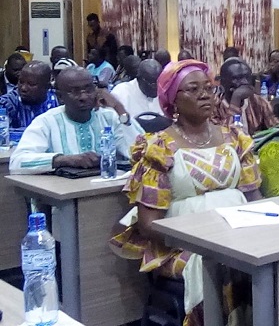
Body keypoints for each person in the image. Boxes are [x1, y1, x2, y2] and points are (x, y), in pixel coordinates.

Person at [109, 59, 262, 326]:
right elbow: (148, 224)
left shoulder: (235, 138)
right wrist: (204, 238)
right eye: (193, 89)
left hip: (238, 236)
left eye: (209, 88)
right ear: (173, 100)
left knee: (269, 261)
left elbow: (254, 199)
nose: (204, 95)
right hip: (183, 246)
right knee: (221, 266)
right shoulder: (159, 147)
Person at [10, 67, 141, 174]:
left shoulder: (109, 117)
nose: (83, 97)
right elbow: (17, 162)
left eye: (88, 90)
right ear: (60, 97)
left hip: (106, 190)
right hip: (63, 194)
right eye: (75, 91)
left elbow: (143, 153)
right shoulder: (47, 122)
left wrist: (119, 108)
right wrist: (64, 160)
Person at [212, 58, 279, 135]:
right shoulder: (213, 107)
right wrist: (236, 99)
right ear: (222, 82)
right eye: (237, 78)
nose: (245, 82)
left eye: (247, 77)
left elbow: (276, 130)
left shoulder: (259, 102)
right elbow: (225, 136)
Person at [0, 61, 53, 129]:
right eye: (21, 82)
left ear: (47, 86)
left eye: (31, 84)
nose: (23, 88)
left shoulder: (56, 102)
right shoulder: (6, 103)